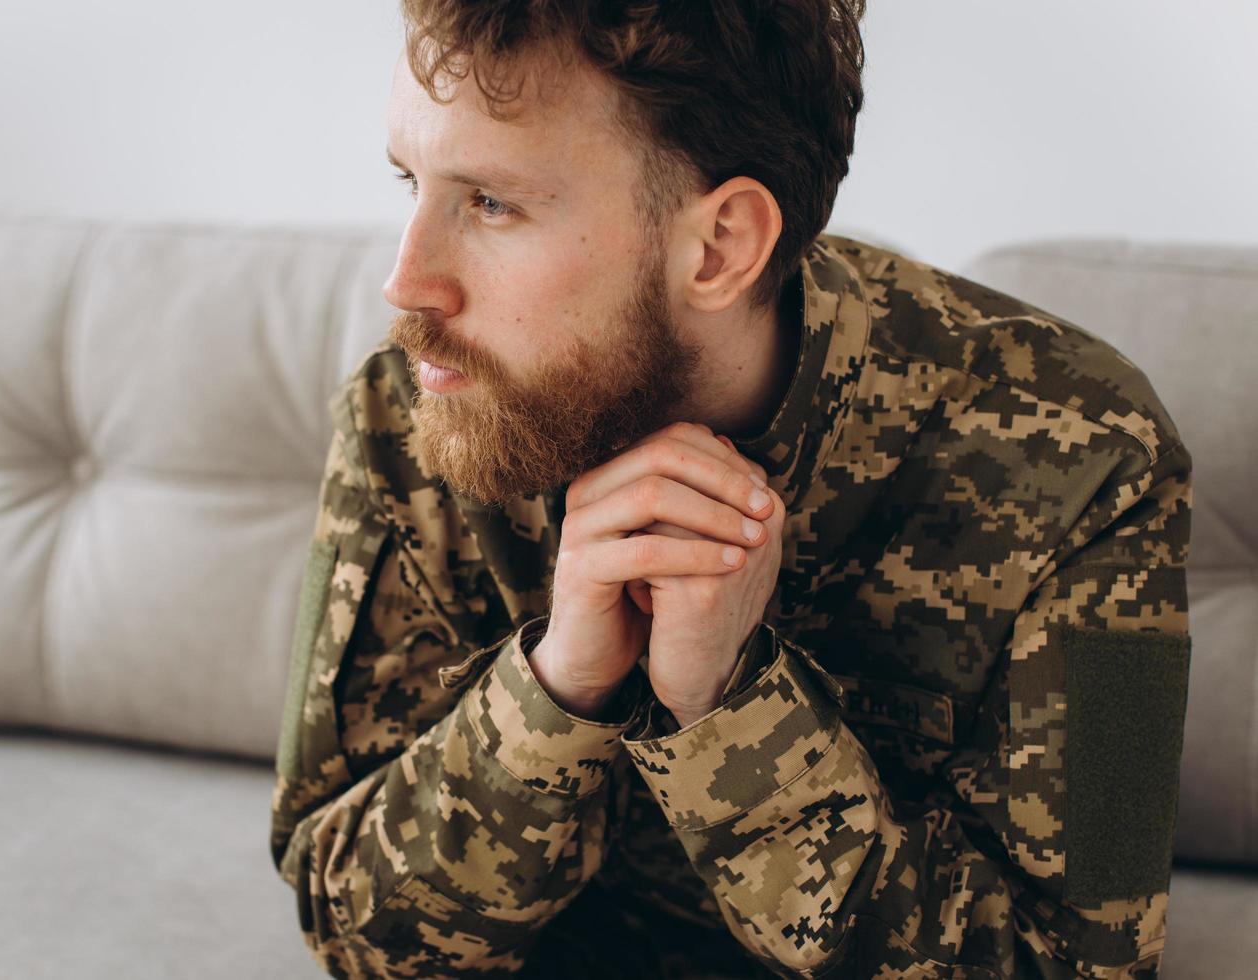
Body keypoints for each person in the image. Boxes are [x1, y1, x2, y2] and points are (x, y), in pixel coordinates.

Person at [270, 2, 1193, 976]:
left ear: (719, 247)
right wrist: (556, 685)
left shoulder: (1090, 457)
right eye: (410, 183)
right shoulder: (416, 402)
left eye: (490, 203)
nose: (406, 285)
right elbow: (344, 918)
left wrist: (729, 702)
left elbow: (1079, 967)